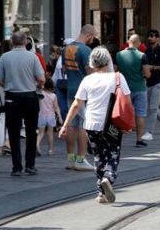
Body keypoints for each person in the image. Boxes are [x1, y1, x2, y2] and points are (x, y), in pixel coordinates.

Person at [59, 47, 131, 204]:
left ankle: (101, 193)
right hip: (111, 124)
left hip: (91, 124)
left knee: (99, 156)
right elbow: (127, 102)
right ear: (108, 60)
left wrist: (65, 125)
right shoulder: (117, 78)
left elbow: (77, 104)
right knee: (113, 154)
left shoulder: (87, 80)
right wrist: (127, 124)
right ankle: (108, 178)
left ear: (92, 62)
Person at [0, 31, 45, 176]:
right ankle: (30, 165)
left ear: (11, 42)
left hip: (12, 97)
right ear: (25, 42)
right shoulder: (32, 57)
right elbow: (41, 78)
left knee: (13, 133)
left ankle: (16, 166)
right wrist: (37, 85)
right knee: (31, 132)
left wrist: (9, 85)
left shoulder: (5, 57)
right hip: (30, 96)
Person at [63, 25, 96, 171]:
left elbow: (64, 69)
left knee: (71, 124)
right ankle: (80, 159)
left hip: (70, 88)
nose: (93, 39)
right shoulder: (85, 50)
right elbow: (89, 72)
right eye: (93, 36)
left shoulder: (67, 48)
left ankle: (70, 159)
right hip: (83, 90)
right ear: (88, 35)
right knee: (84, 124)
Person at [116, 34, 151, 147]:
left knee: (120, 113)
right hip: (139, 88)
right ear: (139, 43)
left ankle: (117, 139)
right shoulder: (142, 56)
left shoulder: (119, 55)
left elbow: (115, 71)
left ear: (128, 42)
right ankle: (139, 140)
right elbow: (147, 74)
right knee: (140, 114)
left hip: (123, 89)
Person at [37, 79, 61, 156]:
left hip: (41, 115)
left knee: (41, 132)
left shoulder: (41, 94)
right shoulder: (54, 96)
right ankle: (50, 150)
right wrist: (60, 117)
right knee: (50, 133)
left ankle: (37, 144)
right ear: (51, 88)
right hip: (51, 116)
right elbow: (56, 107)